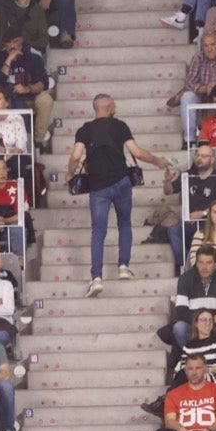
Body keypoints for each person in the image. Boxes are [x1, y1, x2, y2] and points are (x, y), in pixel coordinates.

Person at [68, 94, 169, 297]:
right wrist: (157, 161)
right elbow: (137, 153)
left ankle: (96, 278)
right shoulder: (119, 126)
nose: (115, 108)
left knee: (98, 232)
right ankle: (123, 266)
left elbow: (76, 156)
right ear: (109, 107)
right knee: (124, 224)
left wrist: (70, 174)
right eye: (114, 105)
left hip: (98, 187)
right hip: (121, 182)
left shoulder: (84, 130)